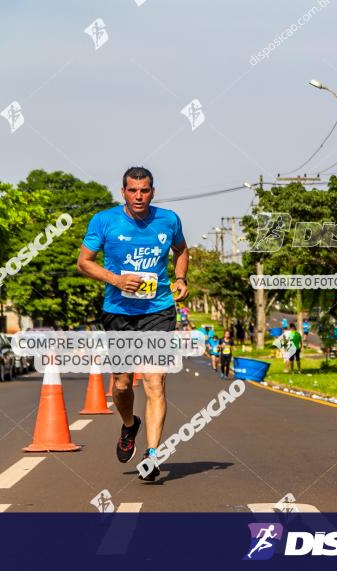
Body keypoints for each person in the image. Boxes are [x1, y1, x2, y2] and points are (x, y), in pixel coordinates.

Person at [76, 166, 189, 482]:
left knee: (155, 383)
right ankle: (129, 425)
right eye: (132, 190)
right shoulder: (105, 221)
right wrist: (116, 279)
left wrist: (180, 278)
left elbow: (181, 250)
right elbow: (83, 262)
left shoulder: (168, 219)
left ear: (153, 191)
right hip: (119, 311)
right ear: (123, 191)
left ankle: (152, 456)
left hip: (159, 310)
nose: (139, 196)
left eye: (145, 190)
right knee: (122, 384)